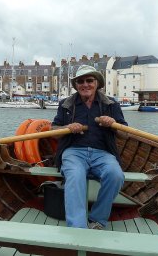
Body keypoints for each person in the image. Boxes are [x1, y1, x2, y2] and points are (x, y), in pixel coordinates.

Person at [52, 64, 128, 229]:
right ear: (76, 85)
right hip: (73, 153)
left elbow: (125, 134)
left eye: (89, 80)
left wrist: (114, 124)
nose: (85, 84)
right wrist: (67, 128)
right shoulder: (65, 104)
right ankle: (78, 228)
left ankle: (97, 219)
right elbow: (54, 132)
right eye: (80, 81)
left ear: (97, 83)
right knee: (75, 175)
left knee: (116, 175)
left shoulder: (111, 105)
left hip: (103, 153)